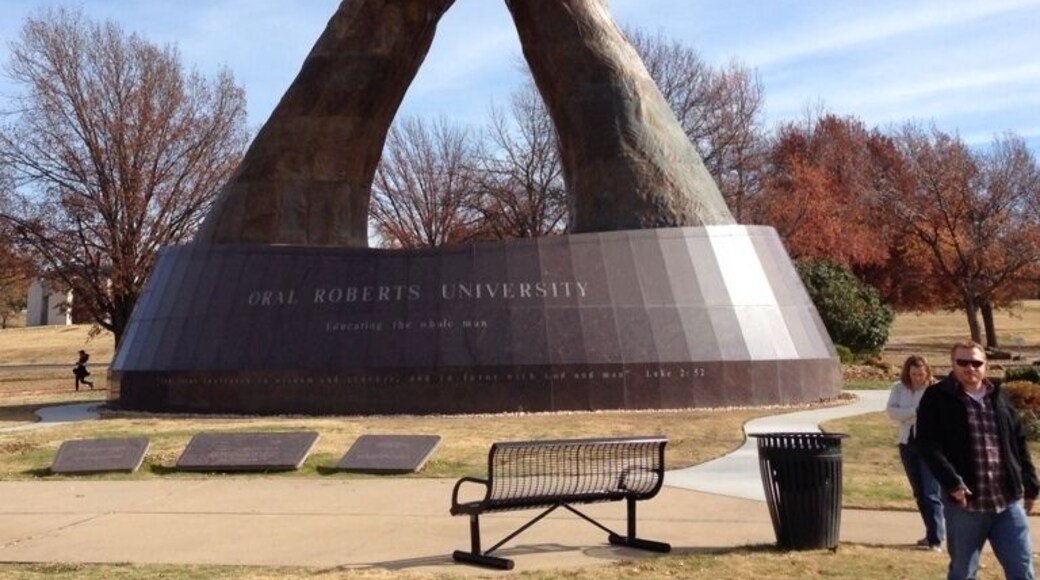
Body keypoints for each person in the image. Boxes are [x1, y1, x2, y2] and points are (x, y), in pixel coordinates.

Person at [916, 341, 1039, 580]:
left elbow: (1019, 442)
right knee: (963, 572)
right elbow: (927, 445)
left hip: (1007, 502)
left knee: (1022, 569)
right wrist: (952, 483)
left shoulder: (999, 395)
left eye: (976, 363)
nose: (969, 368)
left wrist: (1031, 483)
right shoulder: (937, 397)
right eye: (963, 362)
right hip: (966, 505)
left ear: (985, 366)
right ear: (953, 364)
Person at [887, 355, 945, 551]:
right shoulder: (898, 388)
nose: (917, 378)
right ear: (907, 373)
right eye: (913, 374)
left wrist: (907, 413)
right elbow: (892, 413)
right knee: (919, 492)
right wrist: (914, 411)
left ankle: (936, 539)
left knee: (931, 492)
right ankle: (930, 534)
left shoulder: (934, 391)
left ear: (927, 373)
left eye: (921, 374)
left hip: (930, 446)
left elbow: (934, 417)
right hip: (907, 444)